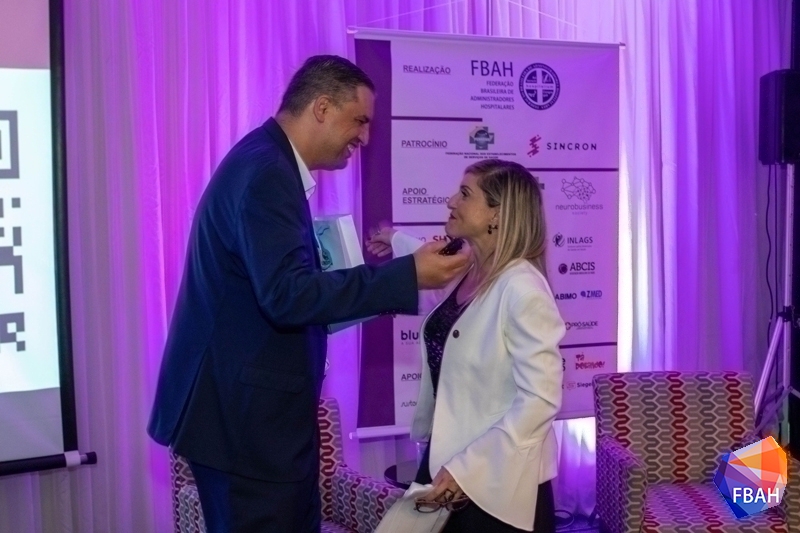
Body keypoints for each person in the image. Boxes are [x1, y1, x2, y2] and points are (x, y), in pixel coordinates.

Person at [147, 55, 468, 533]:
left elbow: (276, 290)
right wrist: (407, 275)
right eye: (359, 120)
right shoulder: (268, 174)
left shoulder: (265, 160)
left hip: (252, 421)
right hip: (243, 428)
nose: (365, 137)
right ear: (321, 108)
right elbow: (286, 295)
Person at [367, 159, 565, 533]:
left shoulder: (523, 289)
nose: (450, 201)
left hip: (497, 482)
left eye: (464, 194)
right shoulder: (470, 270)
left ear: (496, 214)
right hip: (447, 463)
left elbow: (540, 400)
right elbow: (435, 272)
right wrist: (394, 240)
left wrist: (467, 469)